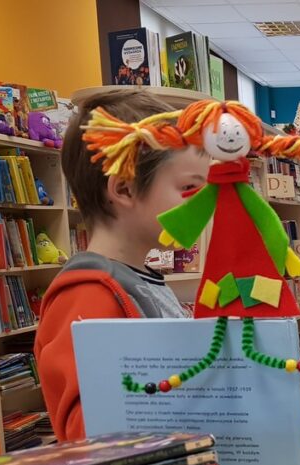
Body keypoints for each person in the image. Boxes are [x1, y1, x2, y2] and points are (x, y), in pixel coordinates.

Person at [35, 90, 211, 441]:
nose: (203, 206)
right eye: (189, 188)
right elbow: (90, 440)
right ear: (125, 190)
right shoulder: (88, 296)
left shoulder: (139, 280)